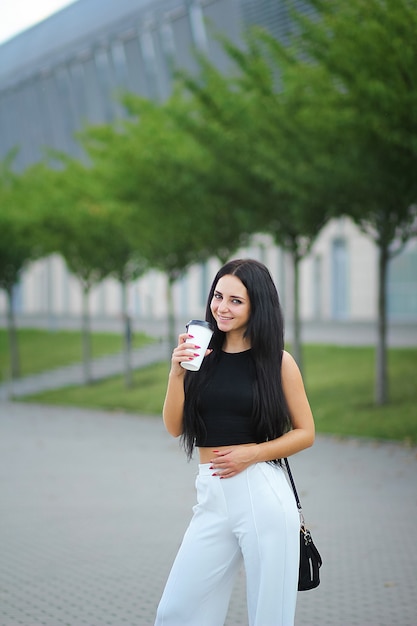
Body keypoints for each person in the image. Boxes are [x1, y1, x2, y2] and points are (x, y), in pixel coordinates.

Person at [155, 258, 315, 626]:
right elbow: (175, 427)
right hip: (211, 496)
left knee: (268, 617)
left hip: (261, 492)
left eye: (235, 301)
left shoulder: (277, 361)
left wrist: (253, 453)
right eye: (217, 296)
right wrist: (176, 373)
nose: (222, 307)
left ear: (256, 305)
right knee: (177, 612)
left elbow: (306, 432)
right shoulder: (201, 356)